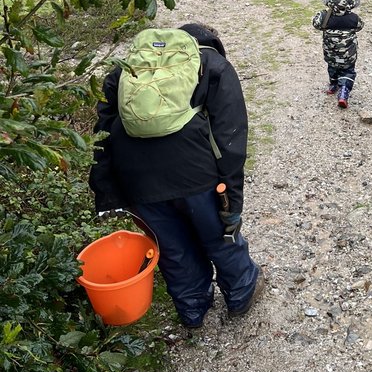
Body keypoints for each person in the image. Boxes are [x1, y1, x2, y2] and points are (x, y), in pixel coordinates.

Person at [89, 23, 265, 330]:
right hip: (198, 178)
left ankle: (192, 310)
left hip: (137, 182)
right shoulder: (214, 66)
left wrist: (107, 191)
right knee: (221, 237)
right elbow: (231, 140)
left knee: (173, 249)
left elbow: (102, 134)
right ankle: (241, 295)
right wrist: (232, 202)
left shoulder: (126, 71)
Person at [312, 0, 363, 109]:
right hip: (348, 54)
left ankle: (333, 85)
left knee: (332, 67)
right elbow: (360, 26)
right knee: (348, 71)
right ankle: (344, 91)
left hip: (331, 53)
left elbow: (316, 24)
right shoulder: (354, 19)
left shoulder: (324, 16)